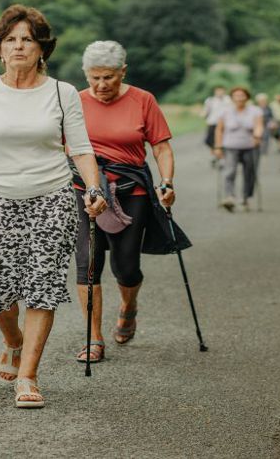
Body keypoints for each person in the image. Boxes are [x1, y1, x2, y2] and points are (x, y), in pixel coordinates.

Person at [0, 4, 106, 409]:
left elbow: (82, 149)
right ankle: (13, 341)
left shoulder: (62, 92)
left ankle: (28, 376)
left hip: (52, 198)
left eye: (28, 40)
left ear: (42, 49)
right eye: (11, 40)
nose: (19, 46)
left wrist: (93, 188)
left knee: (42, 285)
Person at [72, 40, 190, 362]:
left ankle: (128, 305)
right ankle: (93, 337)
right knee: (87, 262)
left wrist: (166, 182)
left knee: (126, 266)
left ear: (123, 71)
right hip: (84, 189)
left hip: (130, 190)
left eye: (108, 77)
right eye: (94, 77)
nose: (101, 85)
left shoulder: (143, 100)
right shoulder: (75, 101)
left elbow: (161, 148)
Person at [213, 87, 264, 212]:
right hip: (230, 146)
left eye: (242, 95)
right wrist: (218, 146)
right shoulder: (224, 111)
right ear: (232, 98)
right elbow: (219, 130)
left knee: (249, 173)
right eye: (236, 95)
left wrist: (257, 135)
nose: (239, 98)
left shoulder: (255, 111)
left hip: (250, 147)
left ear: (247, 97)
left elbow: (259, 125)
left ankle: (245, 198)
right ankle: (229, 197)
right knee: (229, 171)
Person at [201, 86, 231, 165]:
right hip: (212, 123)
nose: (219, 93)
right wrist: (203, 115)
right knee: (209, 141)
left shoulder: (228, 100)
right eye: (218, 91)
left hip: (225, 123)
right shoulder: (210, 101)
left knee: (223, 140)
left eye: (221, 91)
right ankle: (214, 155)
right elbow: (206, 111)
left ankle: (222, 157)